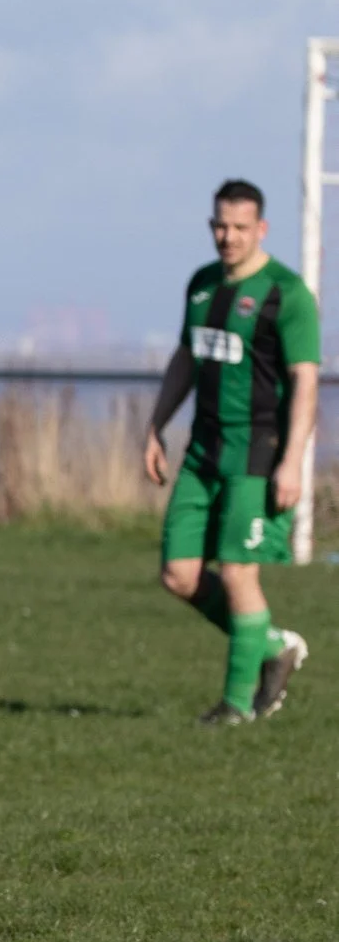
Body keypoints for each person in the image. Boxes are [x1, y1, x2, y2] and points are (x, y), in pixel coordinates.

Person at [144, 178, 321, 724]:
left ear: (261, 228)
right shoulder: (201, 286)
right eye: (221, 225)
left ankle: (237, 706)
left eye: (241, 227)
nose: (229, 236)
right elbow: (185, 359)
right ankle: (273, 645)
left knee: (240, 573)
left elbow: (306, 381)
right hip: (203, 452)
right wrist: (155, 426)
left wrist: (292, 461)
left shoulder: (286, 294)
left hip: (258, 455)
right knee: (178, 574)